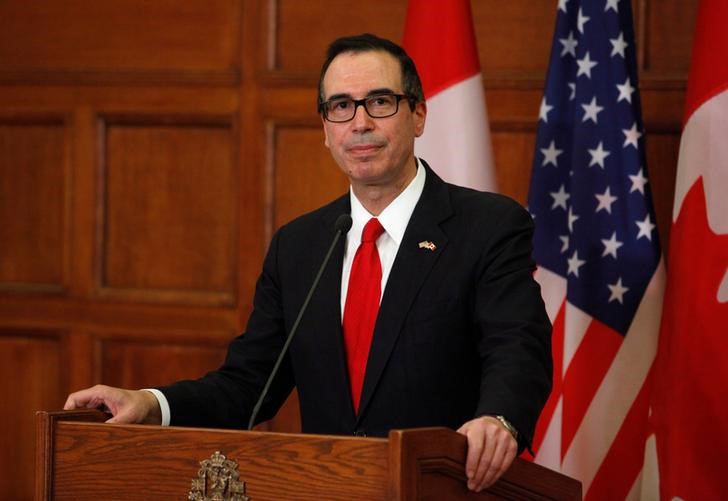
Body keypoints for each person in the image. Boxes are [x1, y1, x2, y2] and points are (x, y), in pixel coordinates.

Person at [65, 33, 552, 492]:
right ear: (325, 128)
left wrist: (500, 419)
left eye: (379, 102)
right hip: (327, 489)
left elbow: (517, 346)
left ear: (419, 114)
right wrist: (151, 404)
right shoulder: (298, 246)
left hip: (445, 488)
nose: (360, 122)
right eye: (341, 106)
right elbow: (247, 385)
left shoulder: (487, 226)